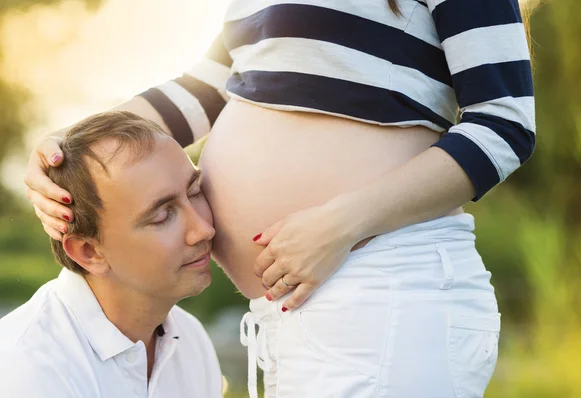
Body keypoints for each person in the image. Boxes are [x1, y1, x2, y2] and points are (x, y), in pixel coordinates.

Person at [24, 0, 535, 397]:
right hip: (294, 311)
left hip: (383, 287)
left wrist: (343, 224)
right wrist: (67, 152)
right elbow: (207, 88)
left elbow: (505, 124)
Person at [2, 112, 222, 398]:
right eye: (163, 215)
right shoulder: (26, 369)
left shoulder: (189, 338)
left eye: (194, 192)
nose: (203, 229)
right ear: (89, 251)